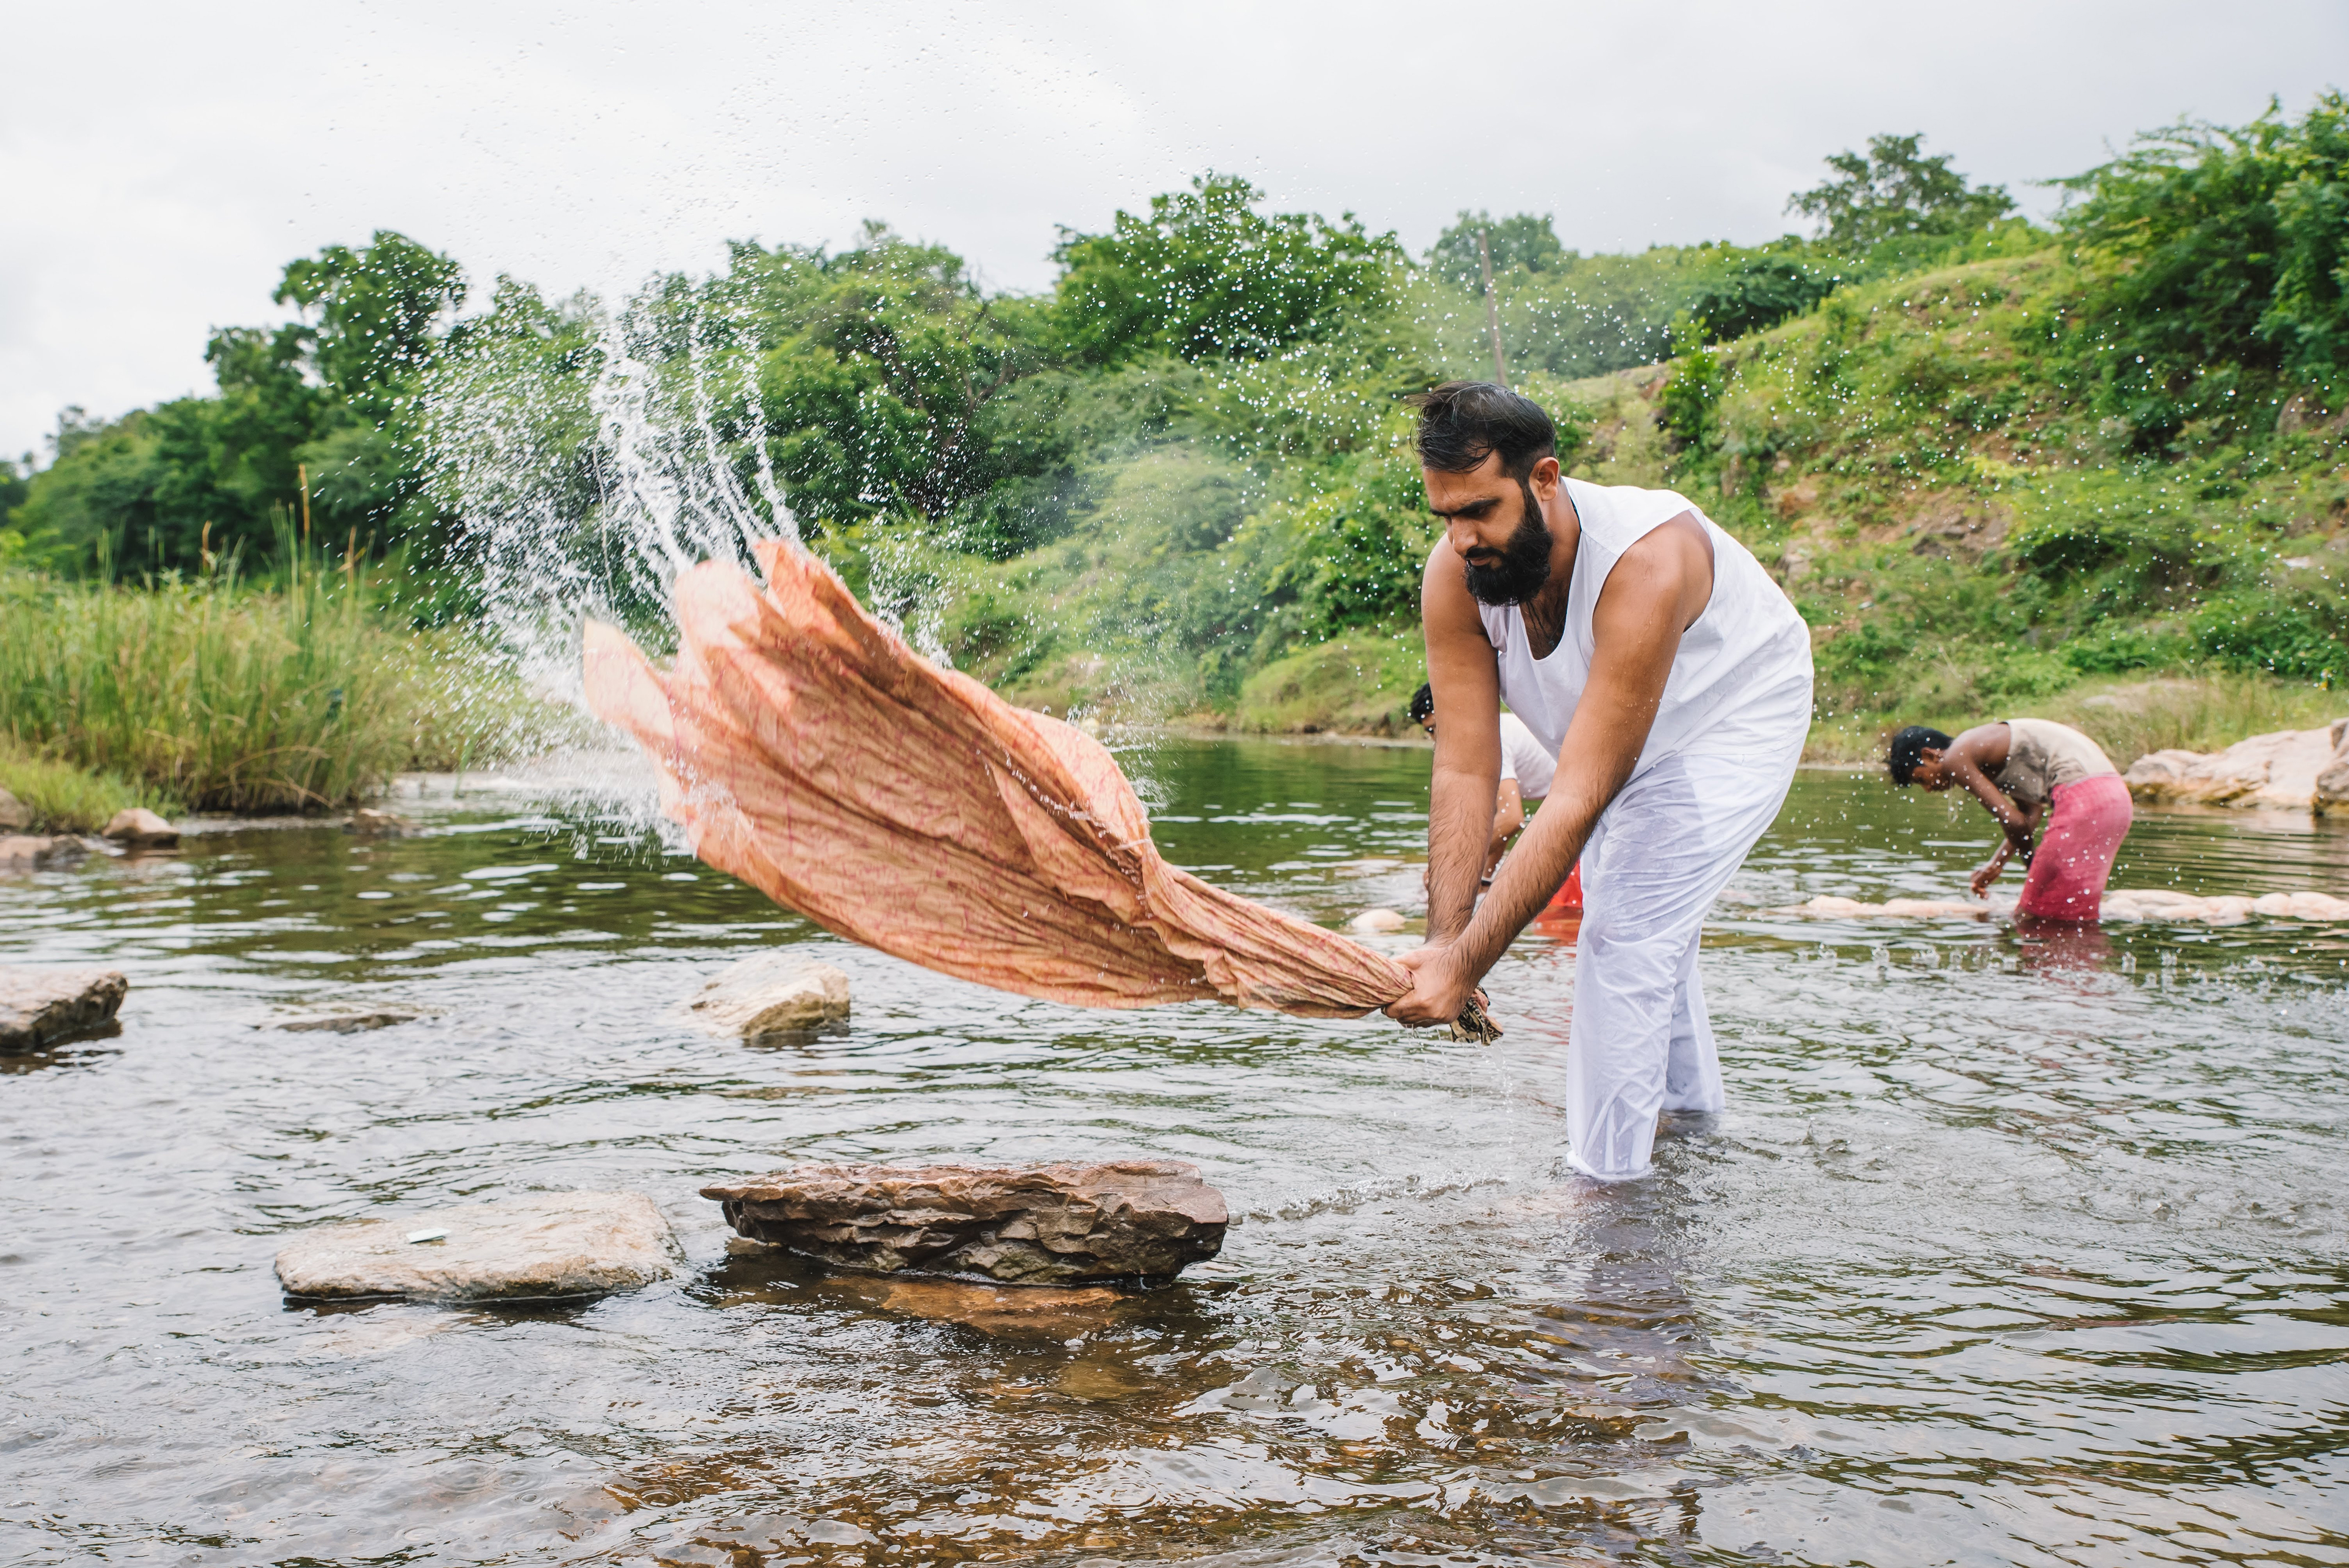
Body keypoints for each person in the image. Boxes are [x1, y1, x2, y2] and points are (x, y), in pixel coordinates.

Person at [1385, 381, 1813, 1182]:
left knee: (1625, 926)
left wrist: (1471, 964)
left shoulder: (1647, 559)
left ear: (1544, 479)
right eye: (1444, 515)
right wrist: (1446, 938)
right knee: (1644, 913)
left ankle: (1606, 1199)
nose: (1462, 537)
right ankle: (1690, 1122)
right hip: (1599, 712)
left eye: (1480, 509)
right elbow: (1467, 764)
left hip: (1729, 716)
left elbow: (1577, 798)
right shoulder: (1454, 575)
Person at [1886, 719, 2130, 920]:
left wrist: (2031, 868)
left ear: (1930, 755)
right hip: (2115, 799)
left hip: (2084, 799)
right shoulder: (1985, 750)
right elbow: (2031, 814)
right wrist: (1997, 864)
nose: (1928, 789)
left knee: (2034, 917)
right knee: (2071, 915)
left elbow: (2015, 823)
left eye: (1921, 779)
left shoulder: (1955, 759)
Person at [1409, 681, 1581, 908]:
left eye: (1436, 728)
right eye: (1429, 732)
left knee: (1560, 912)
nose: (1435, 740)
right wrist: (1484, 880)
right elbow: (1498, 824)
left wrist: (1449, 864)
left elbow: (1512, 820)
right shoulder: (1486, 734)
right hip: (1581, 804)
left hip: (1595, 806)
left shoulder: (1489, 737)